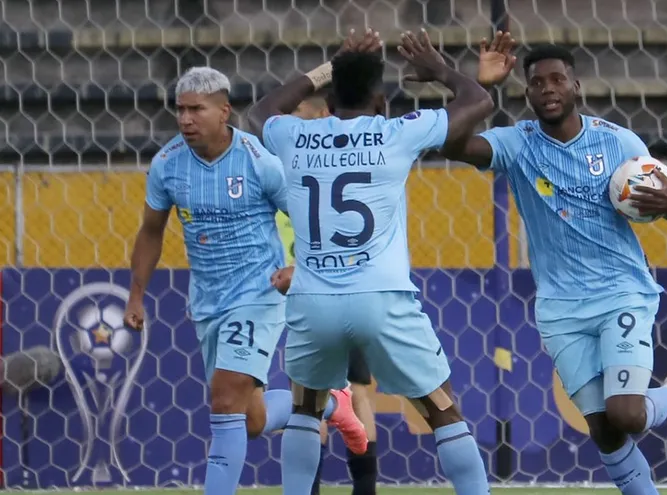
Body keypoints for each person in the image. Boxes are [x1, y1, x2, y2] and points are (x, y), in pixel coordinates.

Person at [441, 35, 667, 495]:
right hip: (560, 308)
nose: (547, 88)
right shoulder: (518, 145)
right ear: (526, 93)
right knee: (605, 429)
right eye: (537, 82)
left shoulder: (618, 142)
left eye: (557, 79)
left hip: (620, 291)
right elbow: (453, 144)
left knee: (627, 414)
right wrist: (478, 89)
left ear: (576, 86)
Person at [248, 28, 494, 495]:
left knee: (305, 410)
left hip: (313, 297)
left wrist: (329, 65)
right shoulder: (395, 133)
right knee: (443, 410)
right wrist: (437, 68)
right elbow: (479, 100)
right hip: (382, 298)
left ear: (330, 97)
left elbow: (260, 111)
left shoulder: (296, 137)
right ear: (381, 101)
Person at [123, 67, 365, 495]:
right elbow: (150, 231)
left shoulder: (258, 160)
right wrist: (136, 295)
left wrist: (304, 269)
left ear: (224, 111)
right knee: (248, 420)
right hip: (208, 302)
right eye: (180, 110)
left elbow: (309, 219)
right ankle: (331, 403)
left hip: (259, 294)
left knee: (223, 401)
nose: (186, 119)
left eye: (197, 109)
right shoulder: (167, 164)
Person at [271, 94, 380, 495]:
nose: (287, 125)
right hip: (349, 286)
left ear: (319, 114)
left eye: (293, 114)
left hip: (312, 290)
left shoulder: (290, 166)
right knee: (354, 391)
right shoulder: (356, 159)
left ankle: (318, 489)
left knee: (311, 395)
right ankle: (364, 490)